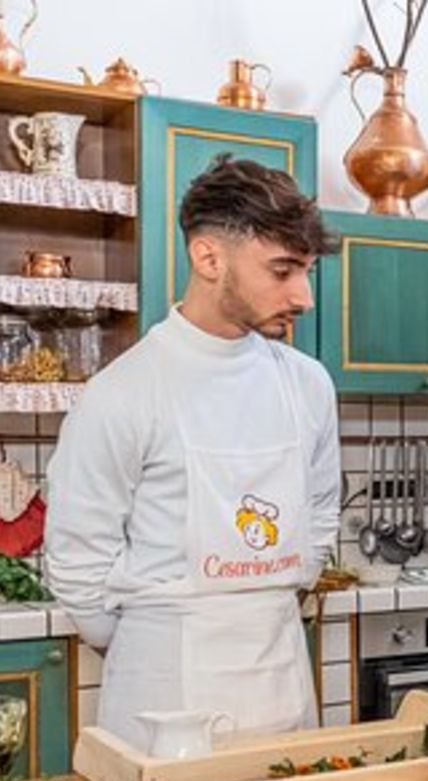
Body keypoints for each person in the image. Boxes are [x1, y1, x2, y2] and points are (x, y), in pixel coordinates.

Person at [45, 155, 341, 750]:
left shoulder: (308, 385)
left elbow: (319, 516)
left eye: (306, 271)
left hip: (282, 677)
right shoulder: (121, 394)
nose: (303, 296)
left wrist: (271, 593)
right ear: (209, 258)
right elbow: (78, 564)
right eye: (282, 270)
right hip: (163, 695)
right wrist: (154, 637)